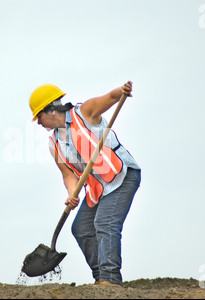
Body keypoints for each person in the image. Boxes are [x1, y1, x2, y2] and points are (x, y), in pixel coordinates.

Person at [28, 81, 141, 287]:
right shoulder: (54, 144)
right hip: (98, 187)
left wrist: (120, 92)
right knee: (81, 228)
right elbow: (68, 175)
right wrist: (72, 194)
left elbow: (108, 99)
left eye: (39, 117)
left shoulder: (84, 113)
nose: (38, 122)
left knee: (105, 223)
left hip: (121, 176)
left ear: (51, 111)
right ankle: (101, 278)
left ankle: (110, 279)